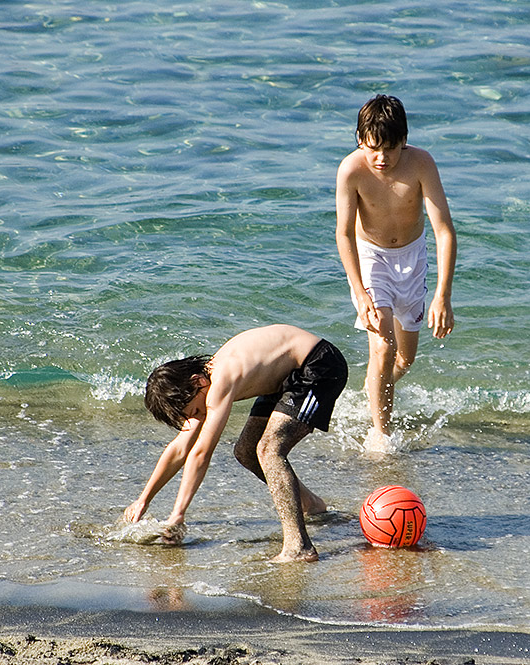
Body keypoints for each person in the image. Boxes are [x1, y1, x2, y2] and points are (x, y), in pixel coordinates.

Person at [123, 325, 348, 563]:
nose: (199, 417)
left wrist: (177, 515)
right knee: (246, 452)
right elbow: (181, 447)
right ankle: (311, 504)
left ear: (196, 381)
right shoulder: (202, 386)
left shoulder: (220, 381)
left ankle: (299, 547)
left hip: (318, 366)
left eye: (196, 411)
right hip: (284, 378)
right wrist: (143, 499)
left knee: (268, 450)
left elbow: (201, 453)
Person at [335, 95, 456, 449]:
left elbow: (444, 230)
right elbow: (343, 233)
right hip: (371, 259)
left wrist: (443, 295)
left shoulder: (421, 164)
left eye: (390, 148)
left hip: (412, 259)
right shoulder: (351, 170)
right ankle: (380, 437)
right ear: (360, 139)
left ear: (404, 140)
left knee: (405, 358)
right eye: (373, 148)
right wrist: (359, 292)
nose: (381, 158)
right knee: (384, 349)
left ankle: (371, 389)